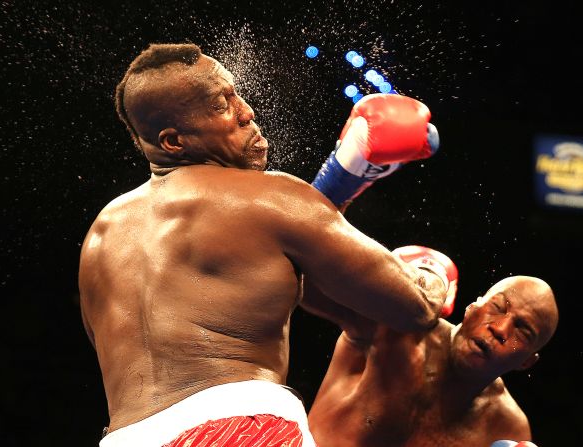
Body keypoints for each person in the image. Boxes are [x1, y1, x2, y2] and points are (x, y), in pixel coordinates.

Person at [78, 42, 452, 447]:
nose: (246, 111)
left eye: (235, 93)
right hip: (238, 427)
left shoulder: (102, 235)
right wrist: (430, 273)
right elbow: (414, 307)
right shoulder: (267, 196)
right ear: (173, 141)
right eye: (222, 104)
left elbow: (267, 289)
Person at [306, 272, 559, 446]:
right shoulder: (397, 329)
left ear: (526, 362)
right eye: (498, 307)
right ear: (472, 308)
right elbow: (302, 284)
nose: (501, 329)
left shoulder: (506, 428)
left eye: (522, 331)